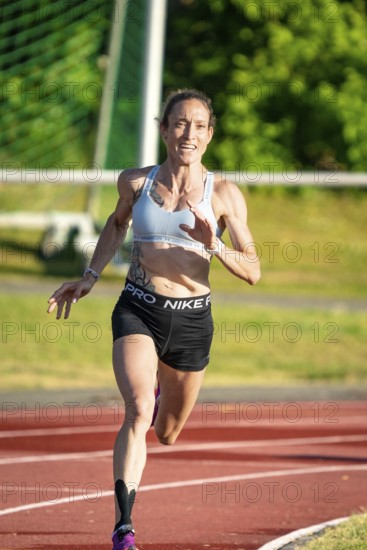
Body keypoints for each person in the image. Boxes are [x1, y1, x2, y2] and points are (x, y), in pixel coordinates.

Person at [47, 88, 261, 550]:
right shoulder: (136, 182)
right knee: (138, 410)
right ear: (164, 130)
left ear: (209, 135)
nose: (189, 133)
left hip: (191, 321)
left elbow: (253, 271)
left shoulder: (223, 194)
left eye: (199, 125)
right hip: (138, 307)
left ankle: (164, 391)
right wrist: (89, 275)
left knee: (166, 432)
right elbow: (117, 222)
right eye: (180, 123)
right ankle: (124, 528)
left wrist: (214, 245)